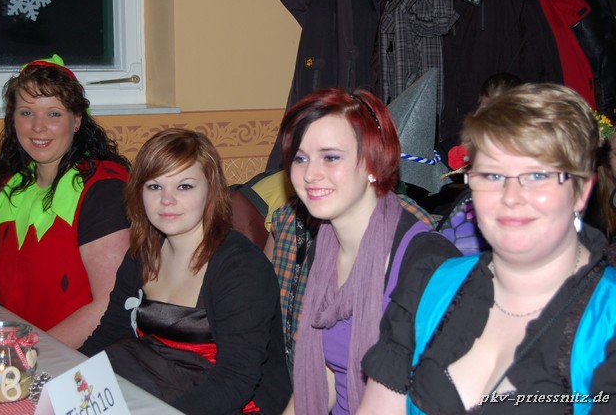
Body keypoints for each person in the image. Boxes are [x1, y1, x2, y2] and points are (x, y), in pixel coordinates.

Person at [358, 83, 616, 414]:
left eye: (538, 175)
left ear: (581, 190)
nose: (511, 197)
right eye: (492, 175)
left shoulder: (606, 319)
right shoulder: (429, 284)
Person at [271, 87, 461, 415]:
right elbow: (327, 375)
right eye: (300, 158)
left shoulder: (425, 263)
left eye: (331, 157)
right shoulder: (325, 248)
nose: (310, 174)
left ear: (373, 162)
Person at [79, 128, 291, 414]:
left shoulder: (241, 268)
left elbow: (236, 379)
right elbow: (111, 332)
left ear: (211, 191)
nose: (167, 200)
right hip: (160, 387)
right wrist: (66, 379)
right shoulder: (143, 252)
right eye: (154, 186)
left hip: (230, 401)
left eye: (184, 186)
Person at [0, 55, 130, 348]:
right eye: (26, 112)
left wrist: (31, 355)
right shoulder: (9, 189)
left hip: (82, 358)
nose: (38, 127)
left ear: (76, 120)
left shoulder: (103, 191)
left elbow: (107, 306)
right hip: (20, 357)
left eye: (53, 113)